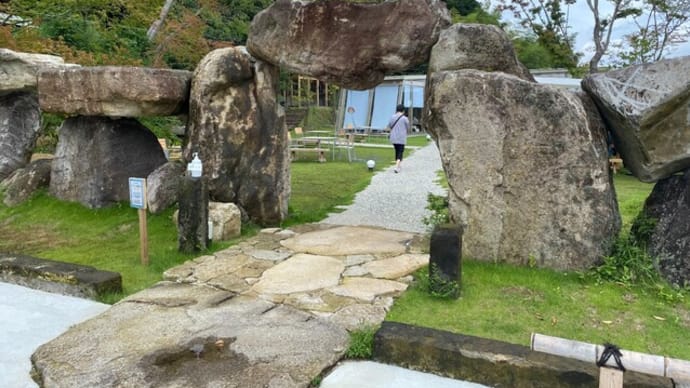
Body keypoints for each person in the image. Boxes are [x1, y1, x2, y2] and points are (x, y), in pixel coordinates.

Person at [388, 104, 409, 173]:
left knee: (397, 150)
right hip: (401, 138)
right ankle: (396, 167)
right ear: (403, 110)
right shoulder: (405, 118)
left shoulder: (392, 117)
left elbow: (390, 125)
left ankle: (398, 165)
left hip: (393, 137)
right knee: (400, 151)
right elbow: (407, 127)